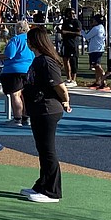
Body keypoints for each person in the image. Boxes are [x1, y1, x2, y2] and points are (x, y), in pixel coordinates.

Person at [20, 26, 71, 203]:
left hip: (47, 110)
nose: (27, 43)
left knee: (48, 150)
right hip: (38, 110)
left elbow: (59, 86)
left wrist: (66, 100)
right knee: (42, 149)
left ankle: (52, 191)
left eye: (29, 40)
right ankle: (42, 184)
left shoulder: (47, 62)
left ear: (36, 42)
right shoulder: (37, 61)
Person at [0, 20, 36, 127]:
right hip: (28, 70)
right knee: (25, 95)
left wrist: (0, 56)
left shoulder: (15, 40)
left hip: (14, 70)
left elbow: (10, 54)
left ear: (18, 29)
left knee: (15, 94)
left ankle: (17, 119)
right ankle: (26, 118)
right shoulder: (31, 41)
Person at [83, 15, 108, 88]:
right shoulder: (101, 27)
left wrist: (82, 32)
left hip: (96, 49)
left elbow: (87, 36)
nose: (92, 22)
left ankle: (103, 80)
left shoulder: (96, 28)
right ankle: (98, 82)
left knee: (97, 65)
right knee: (95, 66)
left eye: (93, 21)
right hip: (96, 49)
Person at [58, 7, 82, 85]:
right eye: (70, 13)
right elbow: (63, 31)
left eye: (73, 13)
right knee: (65, 60)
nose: (72, 15)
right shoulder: (65, 21)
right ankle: (68, 78)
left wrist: (67, 32)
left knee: (73, 61)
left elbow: (78, 33)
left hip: (73, 44)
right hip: (65, 43)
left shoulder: (76, 22)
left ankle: (74, 79)